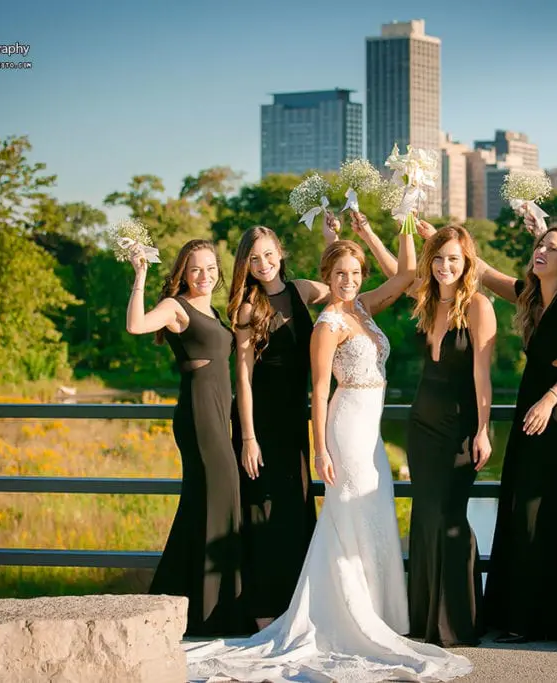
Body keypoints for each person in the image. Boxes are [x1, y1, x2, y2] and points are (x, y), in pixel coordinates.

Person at [184, 227, 472, 682]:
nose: (349, 279)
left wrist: (396, 222)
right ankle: (343, 614)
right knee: (347, 513)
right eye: (341, 273)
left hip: (369, 430)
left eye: (356, 273)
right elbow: (318, 392)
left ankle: (379, 611)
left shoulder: (359, 306)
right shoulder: (326, 323)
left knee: (373, 511)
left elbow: (405, 276)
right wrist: (316, 448)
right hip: (341, 427)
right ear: (328, 275)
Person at [356, 218, 493, 647]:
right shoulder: (426, 297)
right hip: (422, 423)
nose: (444, 266)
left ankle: (458, 620)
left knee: (449, 517)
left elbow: (482, 375)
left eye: (453, 259)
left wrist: (484, 430)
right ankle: (425, 618)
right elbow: (396, 272)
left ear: (466, 261)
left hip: (459, 426)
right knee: (425, 515)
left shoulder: (478, 306)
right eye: (438, 258)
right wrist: (367, 233)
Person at [467, 215, 557, 643]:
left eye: (551, 247)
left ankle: (537, 619)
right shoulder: (531, 298)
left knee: (542, 512)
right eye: (539, 244)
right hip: (530, 407)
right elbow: (482, 272)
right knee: (519, 507)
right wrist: (439, 235)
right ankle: (510, 614)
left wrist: (549, 399)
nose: (540, 250)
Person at [125, 239, 247, 637]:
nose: (205, 275)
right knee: (220, 494)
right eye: (196, 269)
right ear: (182, 272)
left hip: (217, 409)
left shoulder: (212, 309)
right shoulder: (176, 307)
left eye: (211, 268)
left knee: (204, 503)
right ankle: (211, 611)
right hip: (198, 412)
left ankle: (177, 602)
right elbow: (136, 325)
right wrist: (140, 277)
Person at [226, 220, 337, 630]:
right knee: (262, 509)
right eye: (254, 259)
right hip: (262, 422)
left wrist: (331, 240)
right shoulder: (248, 309)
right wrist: (249, 438)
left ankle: (298, 605)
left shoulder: (304, 291)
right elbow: (243, 377)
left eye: (269, 255)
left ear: (281, 254)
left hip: (296, 419)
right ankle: (263, 608)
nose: (263, 263)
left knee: (295, 505)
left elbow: (343, 289)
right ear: (246, 264)